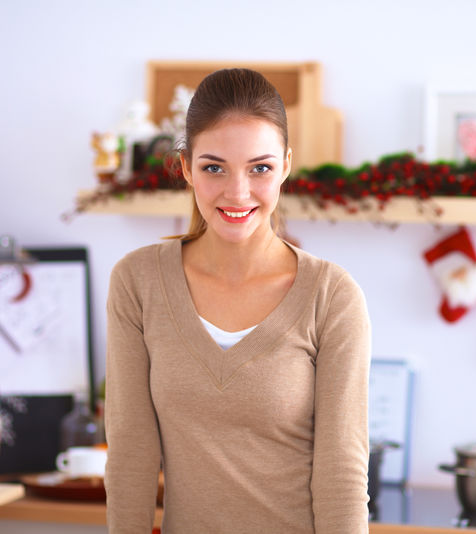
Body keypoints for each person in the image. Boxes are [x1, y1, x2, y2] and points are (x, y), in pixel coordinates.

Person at [104, 68, 371, 533]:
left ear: (285, 165)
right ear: (186, 167)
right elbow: (130, 456)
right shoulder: (137, 281)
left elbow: (342, 474)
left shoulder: (331, 295)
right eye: (214, 168)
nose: (238, 192)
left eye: (260, 168)